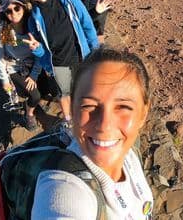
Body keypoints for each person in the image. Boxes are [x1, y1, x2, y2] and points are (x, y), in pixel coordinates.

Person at [31, 45, 154, 219]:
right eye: (89, 106)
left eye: (123, 107)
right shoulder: (62, 186)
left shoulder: (130, 154)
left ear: (143, 114)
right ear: (72, 110)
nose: (104, 125)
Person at [21, 0, 99, 123]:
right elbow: (42, 53)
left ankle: (90, 118)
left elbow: (88, 27)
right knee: (64, 93)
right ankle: (70, 122)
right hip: (58, 65)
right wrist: (37, 49)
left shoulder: (69, 1)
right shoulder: (33, 20)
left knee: (87, 90)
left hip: (82, 56)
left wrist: (95, 52)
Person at [0, 0, 41, 131]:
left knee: (49, 88)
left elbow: (39, 53)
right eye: (8, 11)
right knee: (35, 95)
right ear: (4, 14)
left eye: (17, 8)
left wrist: (34, 75)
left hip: (34, 65)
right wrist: (4, 80)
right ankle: (29, 114)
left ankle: (30, 98)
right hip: (14, 67)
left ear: (24, 7)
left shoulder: (33, 26)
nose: (13, 13)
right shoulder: (3, 31)